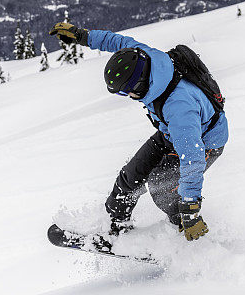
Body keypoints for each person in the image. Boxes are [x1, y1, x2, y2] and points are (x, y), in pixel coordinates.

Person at [50, 22, 228, 241]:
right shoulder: (145, 58)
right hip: (170, 133)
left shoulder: (179, 106)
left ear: (141, 84)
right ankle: (116, 227)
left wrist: (191, 207)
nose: (129, 97)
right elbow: (114, 41)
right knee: (130, 177)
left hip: (205, 142)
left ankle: (184, 228)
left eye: (128, 92)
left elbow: (192, 157)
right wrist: (81, 36)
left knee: (161, 187)